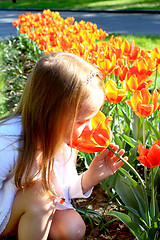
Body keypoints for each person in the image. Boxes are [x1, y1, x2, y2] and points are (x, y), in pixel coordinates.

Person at [0, 52, 127, 240]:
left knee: (71, 228)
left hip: (20, 207)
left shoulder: (60, 138)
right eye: (83, 121)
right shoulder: (8, 142)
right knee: (40, 198)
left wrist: (89, 178)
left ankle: (28, 224)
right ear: (53, 114)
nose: (90, 127)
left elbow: (59, 189)